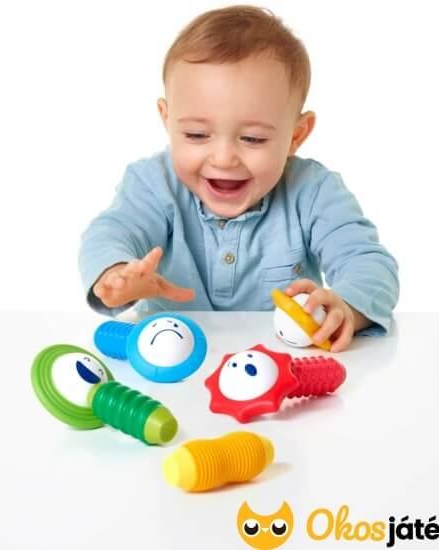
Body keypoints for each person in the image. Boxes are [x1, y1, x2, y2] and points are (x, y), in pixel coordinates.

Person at [79, 5, 399, 352]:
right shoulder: (153, 183)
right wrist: (117, 274)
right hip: (170, 362)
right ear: (167, 120)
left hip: (284, 364)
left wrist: (347, 306)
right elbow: (110, 232)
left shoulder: (314, 191)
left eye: (253, 139)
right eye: (196, 135)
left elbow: (367, 262)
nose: (223, 158)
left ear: (296, 135)